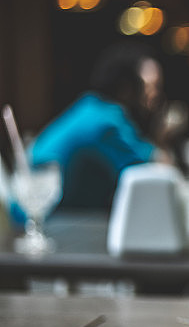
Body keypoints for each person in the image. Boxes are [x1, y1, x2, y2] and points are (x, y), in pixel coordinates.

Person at [31, 41, 173, 209]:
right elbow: (157, 171)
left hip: (49, 211)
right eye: (150, 87)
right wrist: (162, 136)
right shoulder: (108, 122)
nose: (155, 97)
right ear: (126, 86)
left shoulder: (90, 106)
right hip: (50, 217)